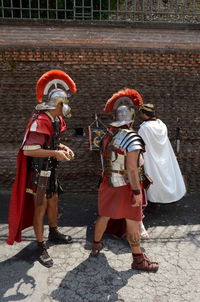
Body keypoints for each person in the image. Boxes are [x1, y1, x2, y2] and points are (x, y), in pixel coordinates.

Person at [6, 70, 77, 268]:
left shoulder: (55, 120)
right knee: (41, 207)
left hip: (51, 170)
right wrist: (55, 153)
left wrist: (62, 148)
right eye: (64, 103)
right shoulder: (41, 120)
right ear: (58, 104)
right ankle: (40, 245)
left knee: (53, 202)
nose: (66, 107)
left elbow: (51, 142)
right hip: (39, 174)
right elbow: (29, 150)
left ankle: (53, 232)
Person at [91, 89, 159, 272]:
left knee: (104, 215)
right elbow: (131, 168)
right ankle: (138, 261)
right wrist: (137, 192)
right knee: (133, 220)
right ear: (131, 118)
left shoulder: (107, 136)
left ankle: (96, 245)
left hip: (107, 183)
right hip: (126, 186)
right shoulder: (131, 137)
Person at [138, 103, 186, 212]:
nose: (140, 115)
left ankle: (153, 202)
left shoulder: (144, 129)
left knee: (152, 179)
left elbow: (141, 145)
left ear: (145, 114)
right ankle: (163, 199)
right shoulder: (162, 125)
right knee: (163, 178)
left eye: (141, 113)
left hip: (150, 159)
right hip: (164, 158)